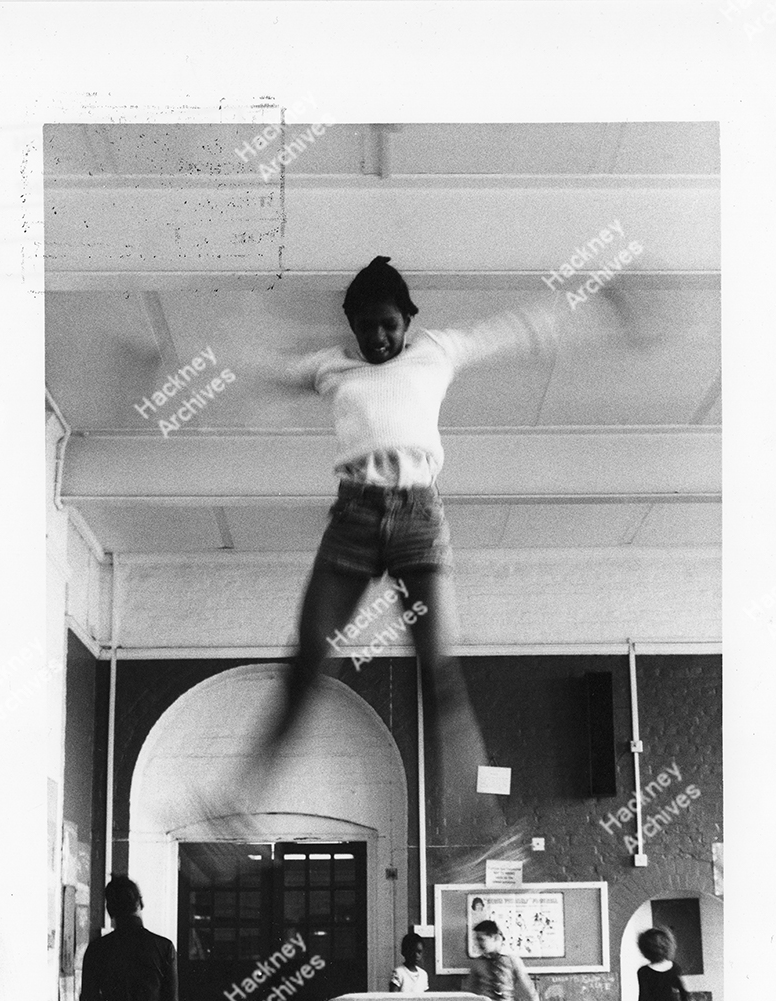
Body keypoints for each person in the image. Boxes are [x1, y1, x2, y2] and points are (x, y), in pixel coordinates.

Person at [235, 256, 582, 841]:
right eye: (366, 326)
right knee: (306, 664)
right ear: (351, 326)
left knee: (439, 670)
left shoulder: (437, 351)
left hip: (420, 515)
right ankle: (244, 802)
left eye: (389, 324)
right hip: (353, 517)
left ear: (407, 319)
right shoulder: (330, 368)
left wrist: (588, 310)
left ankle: (477, 823)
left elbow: (514, 331)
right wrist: (228, 334)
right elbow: (267, 368)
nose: (378, 337)